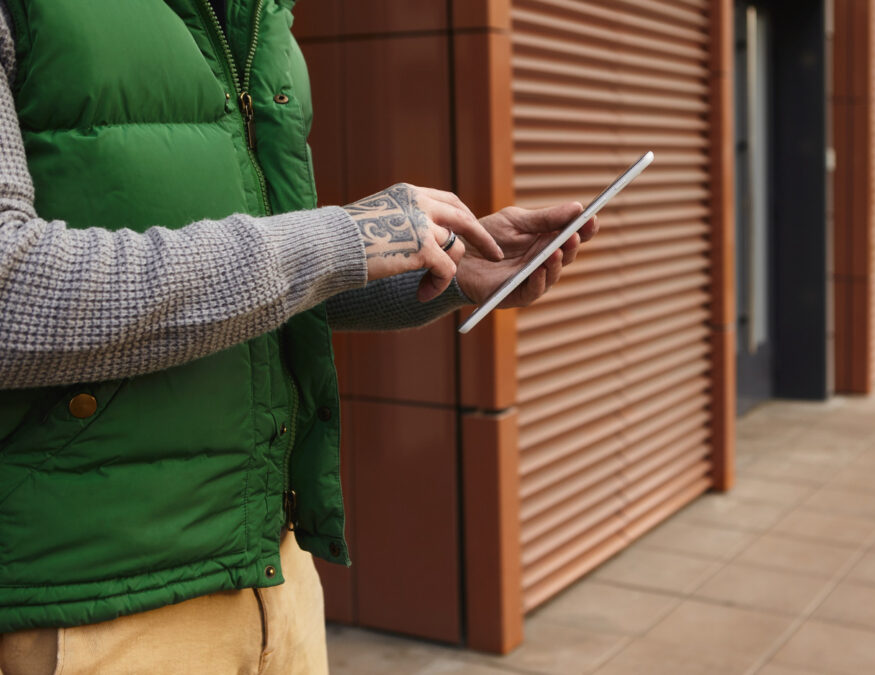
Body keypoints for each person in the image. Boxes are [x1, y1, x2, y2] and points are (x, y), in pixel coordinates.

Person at [0, 1, 597, 673]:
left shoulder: (261, 20)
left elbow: (267, 289)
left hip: (274, 570)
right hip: (93, 601)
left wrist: (452, 268)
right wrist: (344, 236)